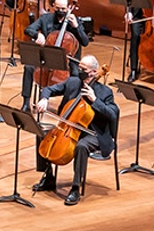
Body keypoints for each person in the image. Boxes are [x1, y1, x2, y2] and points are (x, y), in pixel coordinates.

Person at [32, 55, 117, 207]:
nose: (79, 71)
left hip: (93, 133)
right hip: (68, 128)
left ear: (93, 72)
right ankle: (49, 176)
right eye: (79, 68)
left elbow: (113, 114)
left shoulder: (105, 92)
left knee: (81, 146)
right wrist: (44, 99)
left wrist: (95, 101)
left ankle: (76, 187)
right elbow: (49, 89)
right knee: (41, 133)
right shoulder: (73, 82)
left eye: (83, 69)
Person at [23, 0, 91, 100]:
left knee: (75, 79)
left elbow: (85, 42)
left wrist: (76, 26)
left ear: (68, 8)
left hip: (67, 62)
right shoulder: (46, 19)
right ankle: (26, 103)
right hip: (47, 58)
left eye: (63, 9)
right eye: (58, 8)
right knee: (29, 68)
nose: (60, 11)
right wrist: (37, 35)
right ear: (54, 6)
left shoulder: (75, 21)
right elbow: (28, 29)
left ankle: (66, 105)